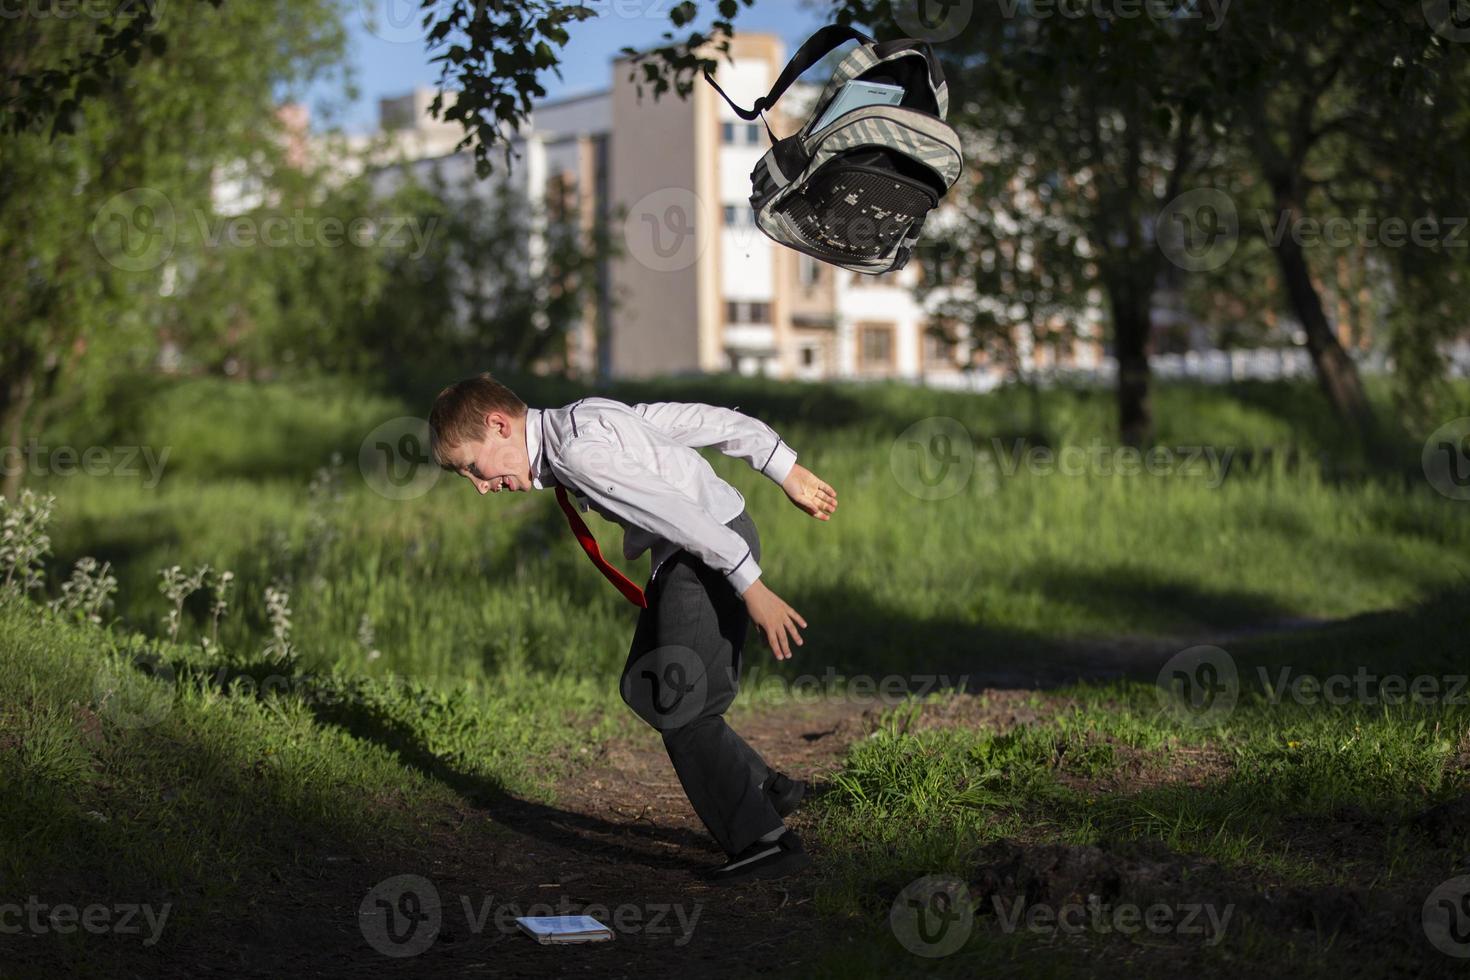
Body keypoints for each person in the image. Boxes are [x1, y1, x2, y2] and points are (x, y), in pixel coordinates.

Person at [427, 373, 839, 884]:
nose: (480, 486)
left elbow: (680, 515)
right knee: (646, 684)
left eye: (472, 467)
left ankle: (765, 841)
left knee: (681, 709)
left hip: (708, 551)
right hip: (699, 549)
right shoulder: (583, 415)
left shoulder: (578, 453)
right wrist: (785, 468)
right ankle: (768, 790)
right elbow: (702, 420)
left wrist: (750, 586)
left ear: (498, 425)